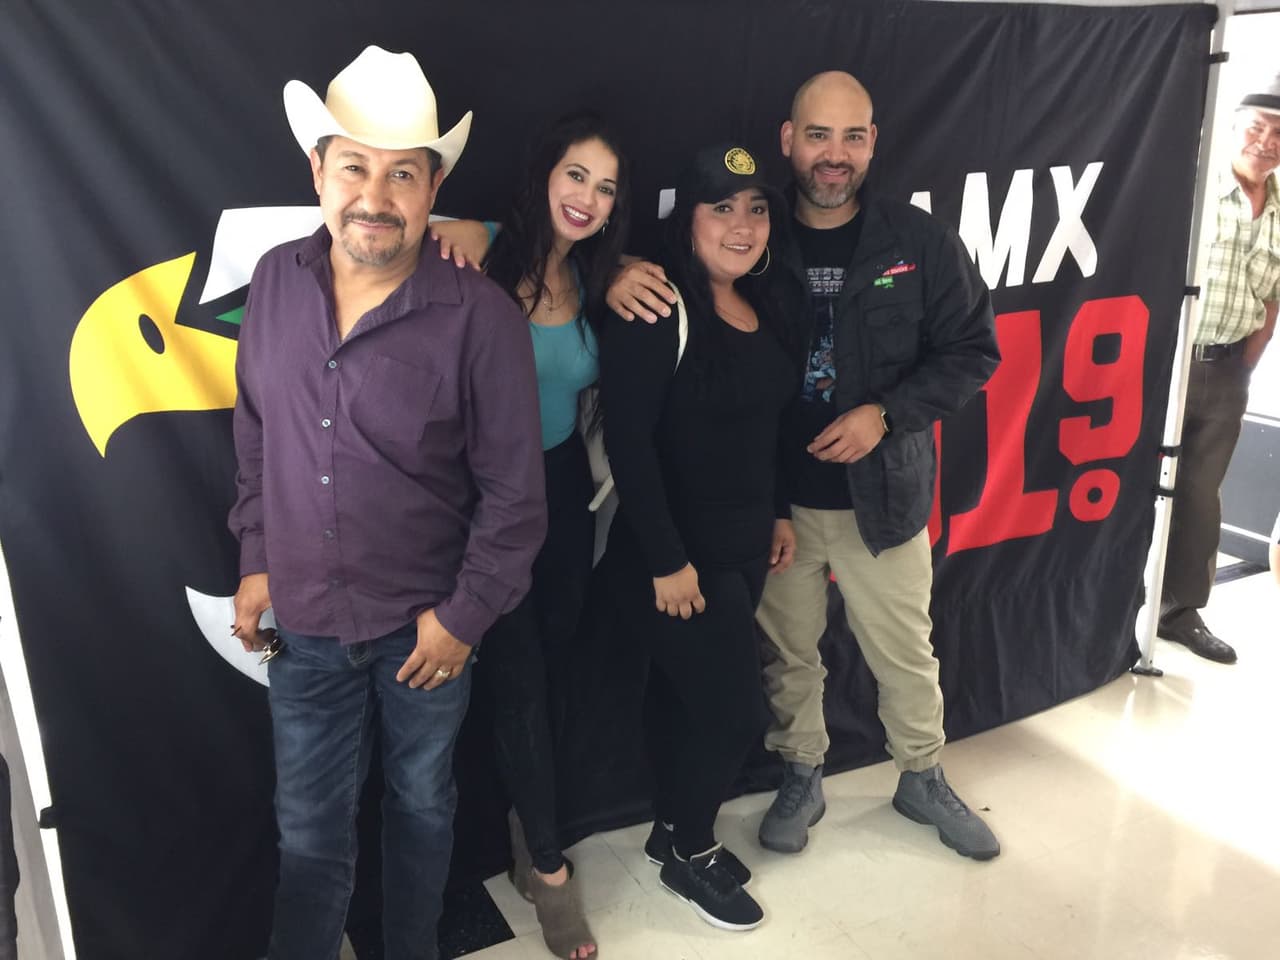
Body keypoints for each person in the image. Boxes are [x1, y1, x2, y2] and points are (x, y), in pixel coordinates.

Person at [607, 72, 1001, 861]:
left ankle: (921, 774)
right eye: (819, 135)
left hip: (882, 499)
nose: (835, 154)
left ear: (872, 144)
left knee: (904, 650)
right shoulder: (758, 228)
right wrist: (611, 273)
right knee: (789, 654)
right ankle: (801, 772)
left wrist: (886, 414)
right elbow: (670, 268)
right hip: (775, 505)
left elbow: (973, 350)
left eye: (852, 137)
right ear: (789, 141)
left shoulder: (916, 241)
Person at [227, 46, 546, 960]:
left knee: (421, 808)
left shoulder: (480, 317)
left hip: (428, 633)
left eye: (402, 173)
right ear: (318, 172)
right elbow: (255, 436)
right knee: (309, 831)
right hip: (301, 622)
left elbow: (517, 498)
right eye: (355, 167)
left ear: (432, 184)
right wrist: (255, 558)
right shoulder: (275, 286)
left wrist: (462, 620)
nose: (376, 194)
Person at [599, 142, 804, 931]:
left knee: (695, 705)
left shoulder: (769, 303)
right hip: (675, 559)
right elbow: (630, 444)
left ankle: (666, 835)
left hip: (745, 549)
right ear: (686, 220)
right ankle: (690, 853)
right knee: (733, 715)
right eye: (721, 206)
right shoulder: (654, 309)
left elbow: (770, 429)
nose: (742, 224)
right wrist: (666, 559)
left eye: (756, 208)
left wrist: (780, 512)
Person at [461, 112, 630, 960]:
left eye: (604, 187)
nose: (587, 197)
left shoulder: (601, 276)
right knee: (520, 671)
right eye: (576, 175)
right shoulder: (482, 248)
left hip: (564, 491)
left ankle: (534, 835)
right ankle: (553, 876)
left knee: (555, 667)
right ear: (544, 177)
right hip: (486, 500)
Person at [1160, 77, 1280, 664]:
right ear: (1235, 127)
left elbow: (1275, 297)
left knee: (1202, 496)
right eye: (1257, 125)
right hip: (1167, 363)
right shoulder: (1196, 188)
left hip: (1229, 370)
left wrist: (1243, 366)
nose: (1266, 140)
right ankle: (1118, 597)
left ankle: (1179, 610)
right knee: (1138, 482)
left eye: (1279, 131)